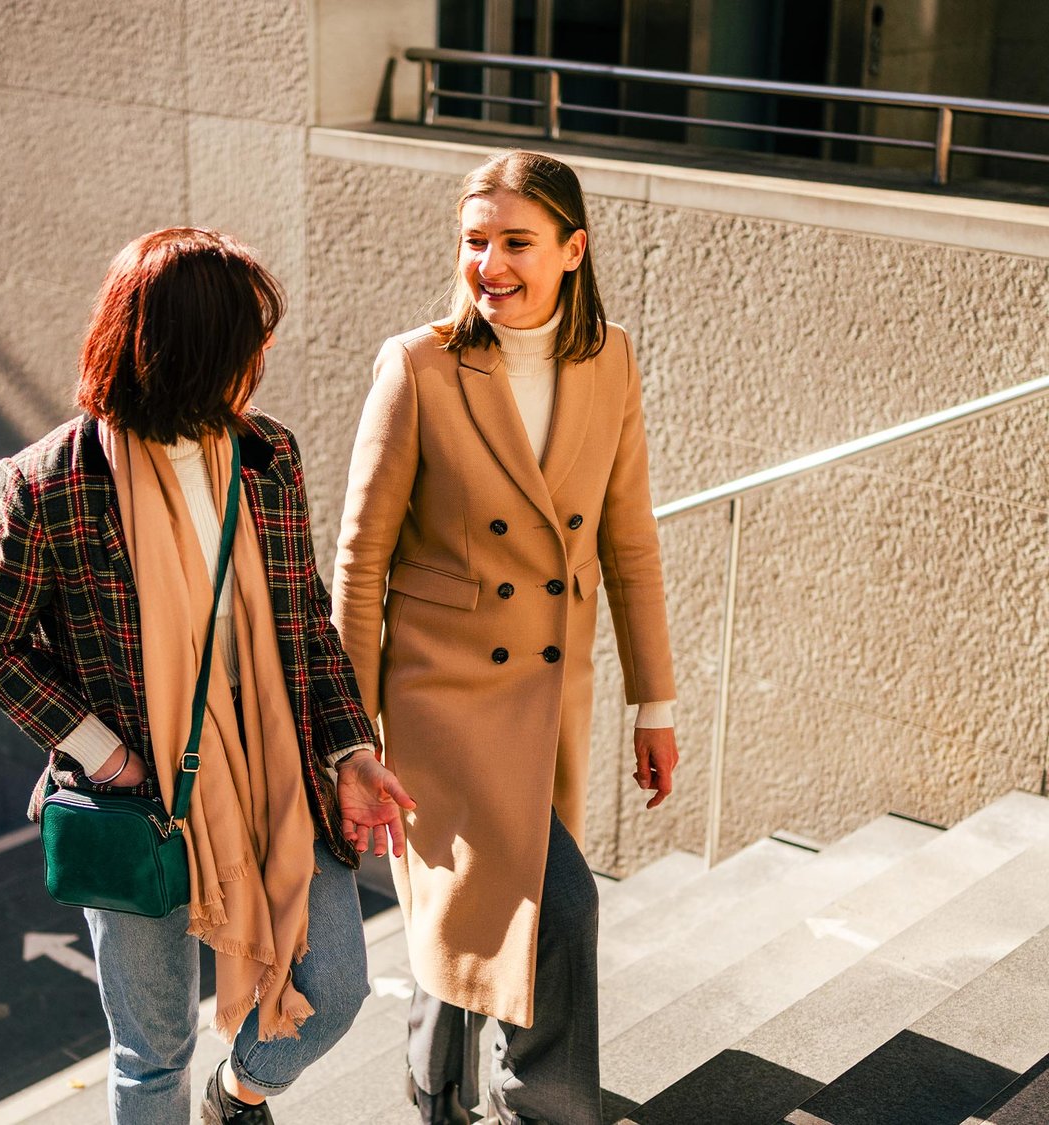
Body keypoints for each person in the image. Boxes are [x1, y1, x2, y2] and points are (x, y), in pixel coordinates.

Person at [0, 227, 418, 1125]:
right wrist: (105, 753)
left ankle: (234, 1098)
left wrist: (352, 746)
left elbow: (305, 623)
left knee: (338, 986)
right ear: (196, 350)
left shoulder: (266, 455)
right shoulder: (52, 485)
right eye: (250, 336)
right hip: (137, 803)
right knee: (151, 1050)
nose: (265, 354)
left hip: (275, 774)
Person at [330, 151, 680, 1125]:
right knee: (556, 912)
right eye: (474, 241)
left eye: (515, 242)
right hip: (438, 707)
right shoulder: (418, 364)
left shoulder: (606, 357)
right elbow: (358, 566)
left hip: (543, 702)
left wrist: (652, 701)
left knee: (481, 915)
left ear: (573, 248)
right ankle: (540, 1112)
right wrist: (346, 740)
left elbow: (628, 537)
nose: (490, 262)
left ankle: (431, 1086)